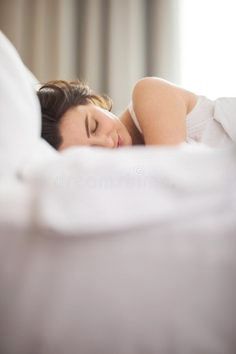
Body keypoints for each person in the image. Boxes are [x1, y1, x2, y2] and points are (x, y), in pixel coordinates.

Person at [37, 77, 236, 150]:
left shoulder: (147, 93)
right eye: (91, 151)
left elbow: (177, 173)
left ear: (91, 101)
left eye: (95, 126)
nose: (107, 144)